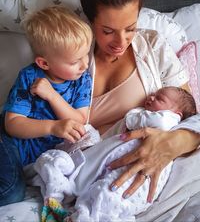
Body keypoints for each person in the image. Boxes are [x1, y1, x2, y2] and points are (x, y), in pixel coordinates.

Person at [79, 0, 200, 203]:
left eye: (130, 28)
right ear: (90, 20)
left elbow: (193, 115)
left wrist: (172, 143)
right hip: (88, 171)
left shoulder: (153, 46)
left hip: (153, 167)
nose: (121, 42)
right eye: (108, 31)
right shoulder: (72, 54)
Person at [34, 86, 197, 222]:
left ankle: (81, 214)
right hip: (104, 163)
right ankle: (56, 198)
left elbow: (154, 121)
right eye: (153, 94)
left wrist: (136, 115)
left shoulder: (167, 121)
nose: (152, 97)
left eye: (160, 98)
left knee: (106, 195)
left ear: (177, 115)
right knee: (54, 160)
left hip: (135, 172)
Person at [0, 6, 93, 206]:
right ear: (44, 64)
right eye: (75, 61)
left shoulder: (82, 79)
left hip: (34, 157)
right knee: (10, 192)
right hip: (9, 140)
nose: (85, 65)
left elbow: (79, 119)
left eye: (86, 55)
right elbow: (12, 124)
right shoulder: (30, 77)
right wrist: (52, 127)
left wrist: (51, 95)